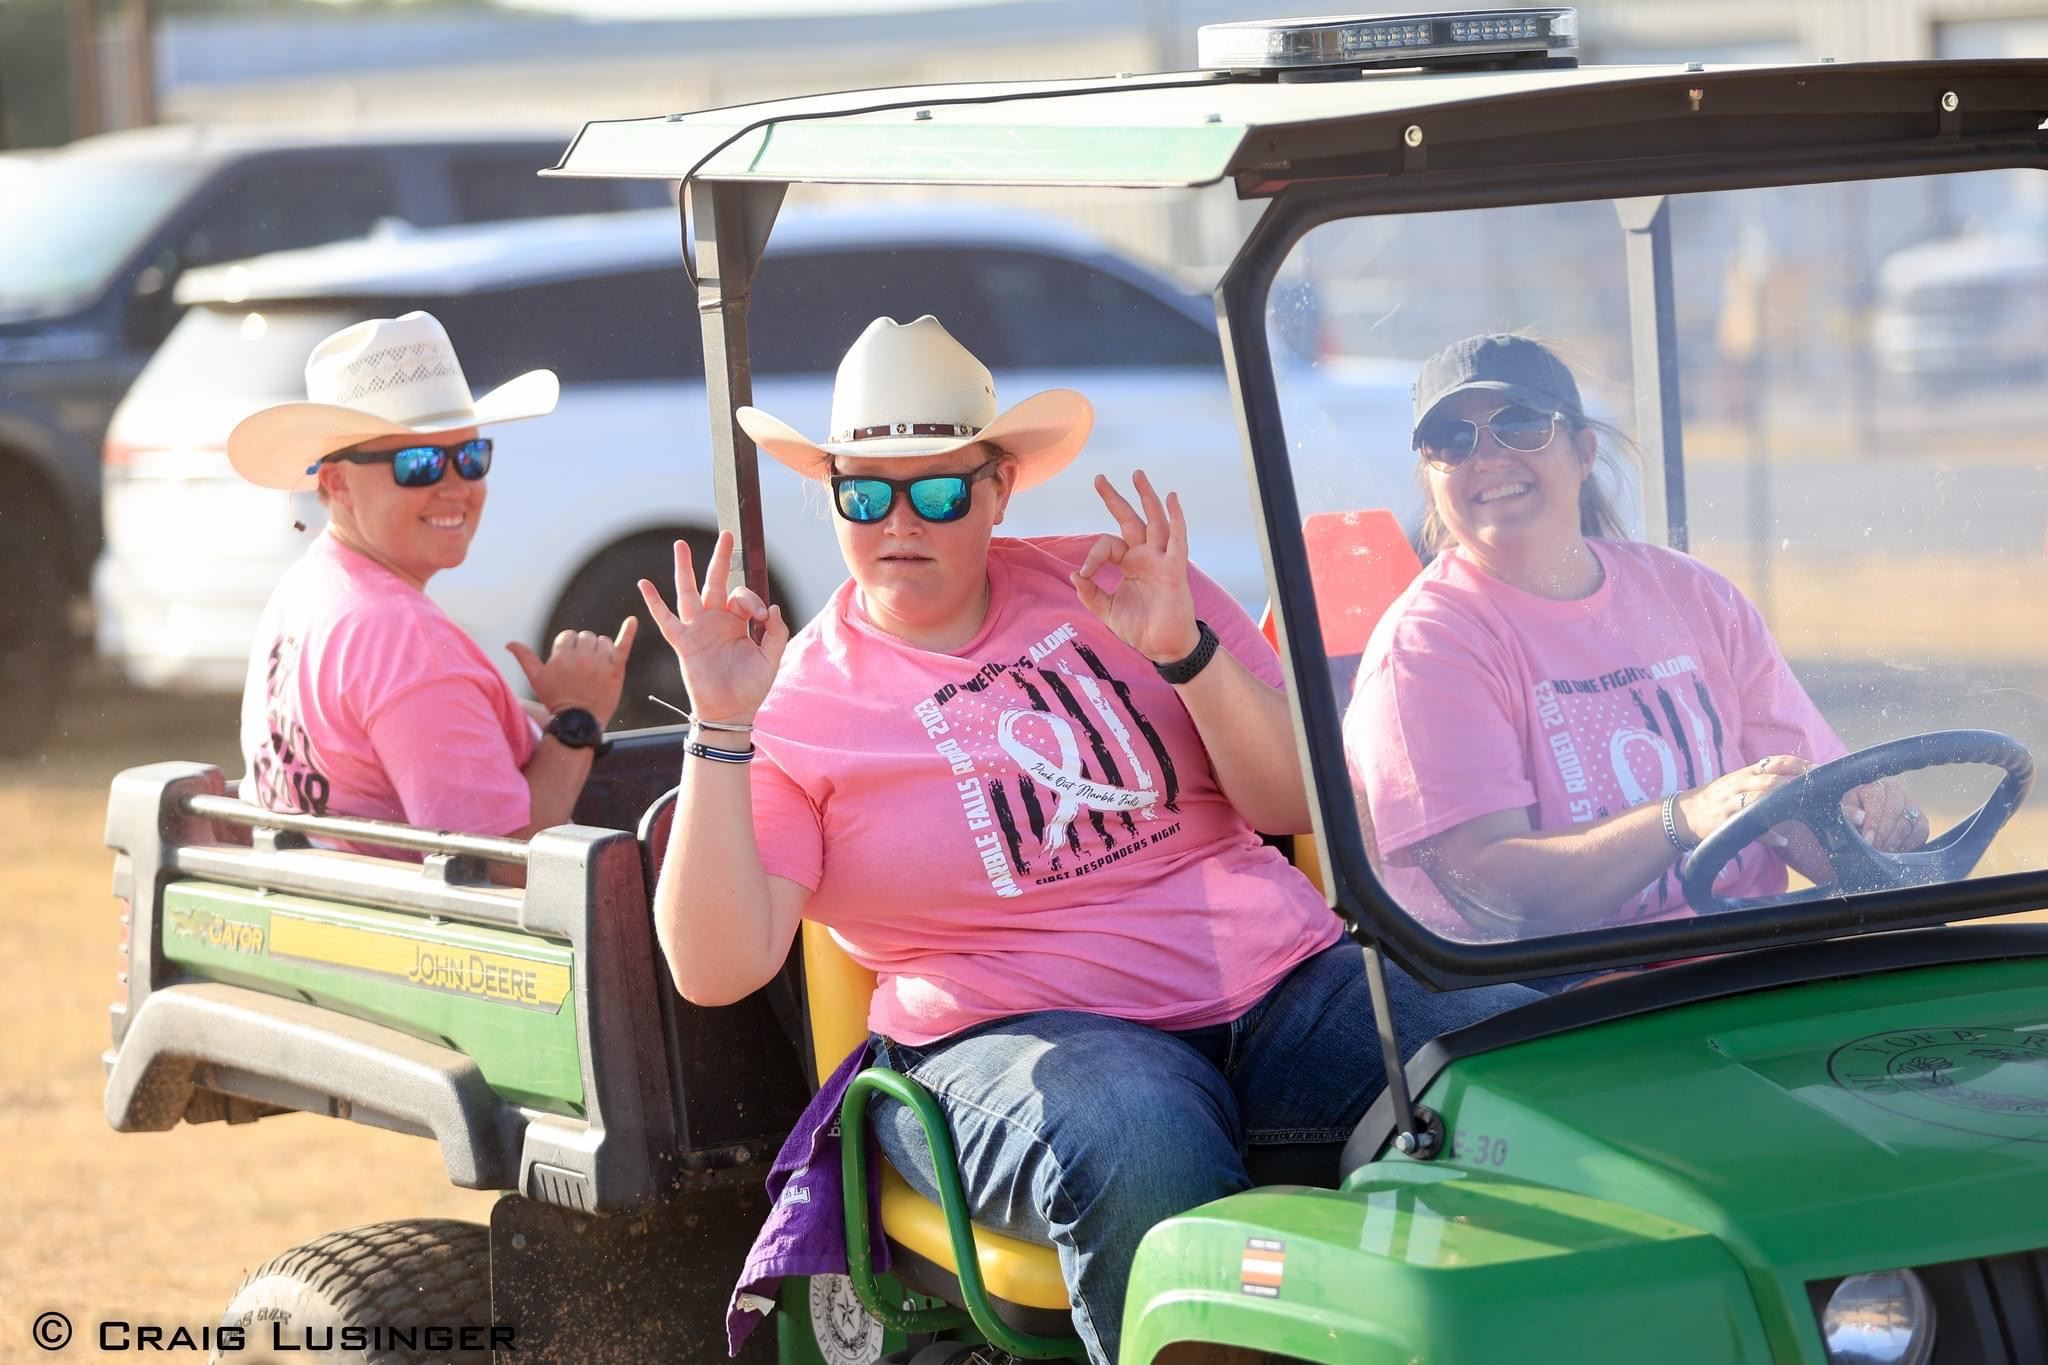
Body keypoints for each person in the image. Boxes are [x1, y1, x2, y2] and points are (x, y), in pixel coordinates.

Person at [638, 314, 1535, 1365]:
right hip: (1018, 1039)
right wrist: (719, 723)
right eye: (864, 492)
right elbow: (714, 967)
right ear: (831, 494)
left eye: (936, 491)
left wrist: (1184, 651)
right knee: (1137, 1139)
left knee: (1523, 1067)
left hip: (1285, 991)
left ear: (997, 488)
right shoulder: (797, 707)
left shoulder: (1123, 587)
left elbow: (1295, 801)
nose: (898, 522)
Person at [1345, 333, 1925, 944]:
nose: (1485, 456)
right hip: (1549, 995)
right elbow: (1493, 899)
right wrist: (1686, 819)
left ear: (1585, 450)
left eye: (1519, 425)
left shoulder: (1692, 594)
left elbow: (1814, 816)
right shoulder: (1427, 647)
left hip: (1744, 960)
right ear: (1430, 477)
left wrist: (1882, 823)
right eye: (1452, 441)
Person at [226, 311, 636, 865]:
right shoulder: (405, 641)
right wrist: (576, 721)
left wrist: (526, 713)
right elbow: (502, 864)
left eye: (471, 457)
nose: (455, 486)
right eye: (417, 464)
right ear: (337, 482)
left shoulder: (308, 589)